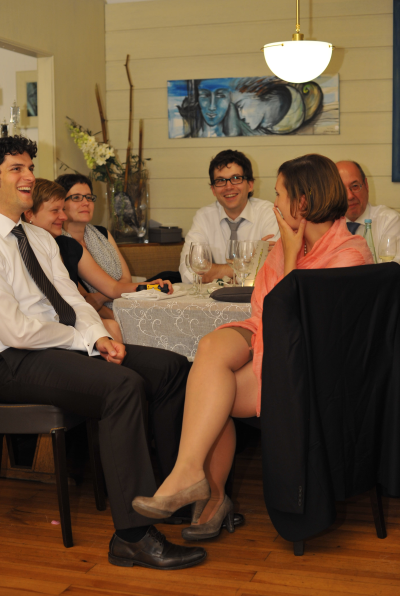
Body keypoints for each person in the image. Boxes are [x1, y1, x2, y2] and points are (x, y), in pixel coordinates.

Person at [0, 135, 206, 570]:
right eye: (17, 169)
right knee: (122, 387)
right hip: (8, 363)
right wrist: (84, 342)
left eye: (30, 167)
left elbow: (73, 301)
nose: (29, 176)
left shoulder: (39, 237)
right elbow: (15, 330)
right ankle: (132, 536)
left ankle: (166, 497)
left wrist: (98, 337)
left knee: (170, 368)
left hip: (58, 347)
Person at [133, 154, 373, 541]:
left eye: (279, 194)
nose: (274, 203)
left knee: (213, 395)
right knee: (211, 347)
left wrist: (291, 255)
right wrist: (289, 252)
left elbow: (296, 325)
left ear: (302, 202)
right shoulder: (287, 245)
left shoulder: (348, 254)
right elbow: (264, 312)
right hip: (272, 337)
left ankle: (210, 495)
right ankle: (190, 475)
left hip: (310, 368)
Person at [24, 178, 173, 342]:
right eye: (55, 211)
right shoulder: (21, 247)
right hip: (41, 326)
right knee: (113, 327)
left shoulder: (69, 245)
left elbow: (113, 287)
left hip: (72, 318)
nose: (63, 216)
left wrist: (149, 286)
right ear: (29, 214)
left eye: (89, 197)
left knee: (114, 327)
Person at [179, 150, 279, 283]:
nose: (228, 186)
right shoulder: (203, 217)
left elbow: (273, 270)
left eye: (236, 178)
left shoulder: (269, 213)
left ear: (250, 185)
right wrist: (248, 263)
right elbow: (188, 273)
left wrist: (213, 272)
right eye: (221, 181)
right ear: (213, 189)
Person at [55, 173, 135, 314]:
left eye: (89, 197)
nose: (86, 203)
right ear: (61, 203)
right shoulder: (57, 243)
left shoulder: (103, 233)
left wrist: (101, 297)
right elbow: (83, 300)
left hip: (124, 302)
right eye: (76, 197)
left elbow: (126, 279)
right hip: (90, 314)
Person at [336, 161, 400, 262]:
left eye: (355, 186)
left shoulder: (389, 220)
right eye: (341, 190)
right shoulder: (326, 225)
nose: (350, 196)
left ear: (366, 185)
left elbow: (393, 267)